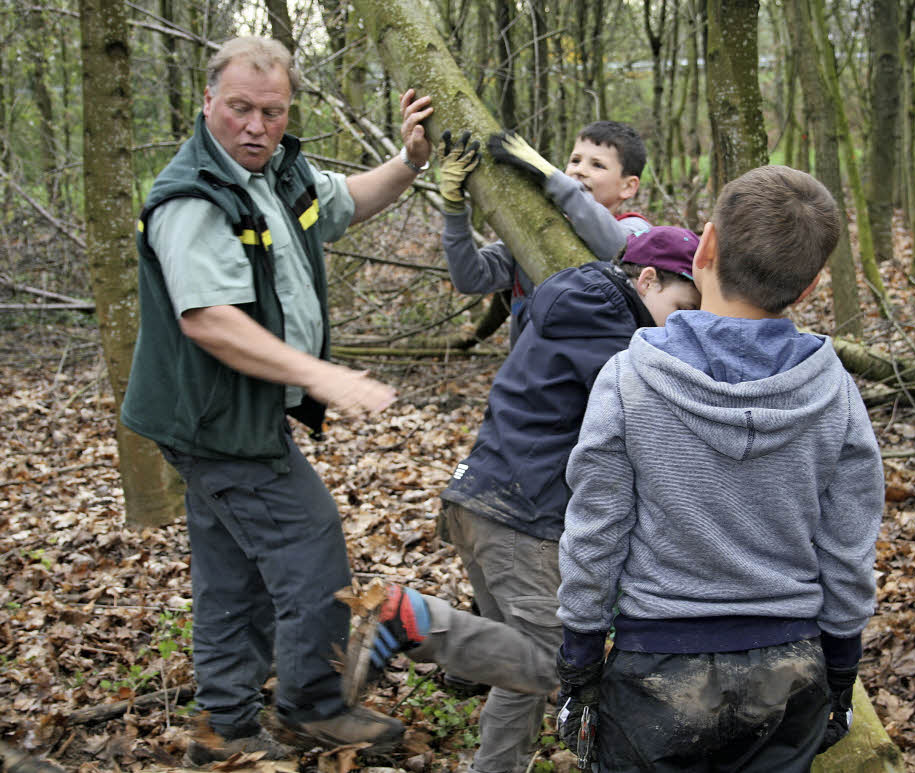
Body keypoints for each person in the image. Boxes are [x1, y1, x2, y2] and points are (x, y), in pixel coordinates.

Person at [119, 36, 434, 763]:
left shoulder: (276, 175)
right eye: (239, 109)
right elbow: (209, 319)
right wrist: (319, 376)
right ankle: (310, 706)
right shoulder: (194, 197)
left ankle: (225, 725)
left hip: (232, 412)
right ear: (208, 103)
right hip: (215, 419)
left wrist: (410, 163)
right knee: (311, 543)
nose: (256, 126)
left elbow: (349, 199)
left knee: (232, 570)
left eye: (271, 110)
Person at [554, 165, 885, 772]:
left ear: (705, 246)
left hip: (655, 669)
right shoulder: (835, 392)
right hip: (791, 668)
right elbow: (849, 547)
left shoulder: (628, 380)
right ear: (807, 288)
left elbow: (596, 531)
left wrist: (578, 659)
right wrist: (841, 668)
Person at [365, 227, 701, 773]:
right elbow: (643, 424)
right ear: (646, 280)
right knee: (550, 661)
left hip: (481, 498)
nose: (685, 324)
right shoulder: (616, 337)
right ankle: (412, 619)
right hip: (522, 516)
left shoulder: (581, 304)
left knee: (514, 665)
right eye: (682, 307)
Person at [437, 121, 652, 345]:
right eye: (575, 161)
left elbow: (616, 248)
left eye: (597, 165)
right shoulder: (540, 230)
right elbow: (470, 278)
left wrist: (552, 178)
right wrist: (454, 208)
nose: (580, 170)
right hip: (529, 375)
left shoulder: (638, 232)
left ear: (628, 186)